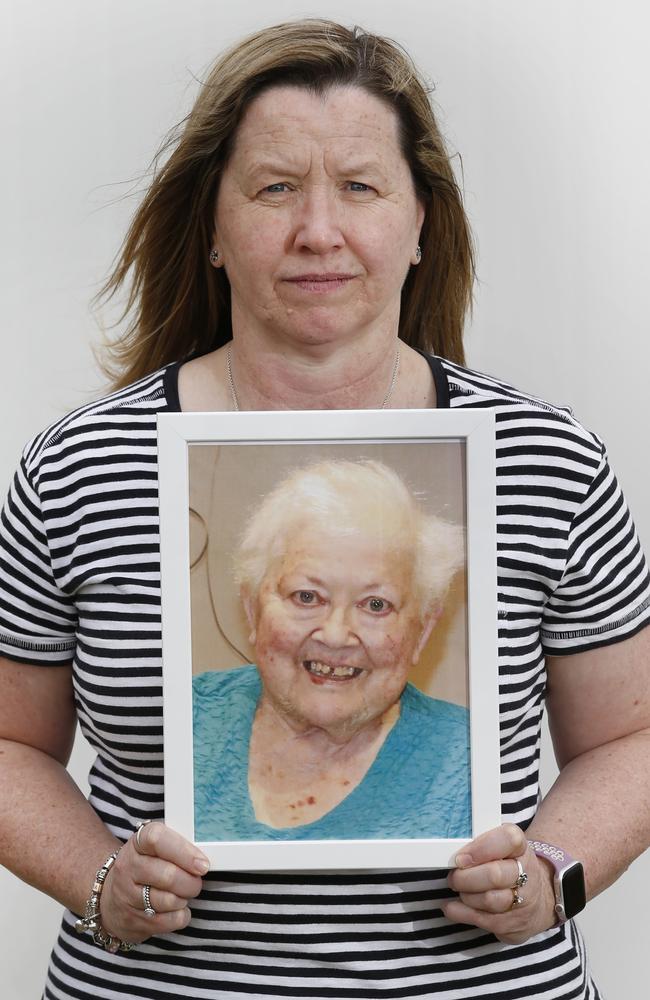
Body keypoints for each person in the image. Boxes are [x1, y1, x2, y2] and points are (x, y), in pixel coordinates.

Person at [0, 17, 648, 1000]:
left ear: (420, 221)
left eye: (358, 185)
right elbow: (9, 744)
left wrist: (551, 873)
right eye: (272, 188)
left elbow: (627, 738)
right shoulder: (80, 465)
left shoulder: (547, 458)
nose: (317, 229)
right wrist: (98, 882)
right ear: (210, 229)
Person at [192, 458, 470, 841]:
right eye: (307, 597)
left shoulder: (469, 760)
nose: (336, 636)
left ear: (421, 632)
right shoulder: (187, 719)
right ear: (251, 610)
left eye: (375, 604)